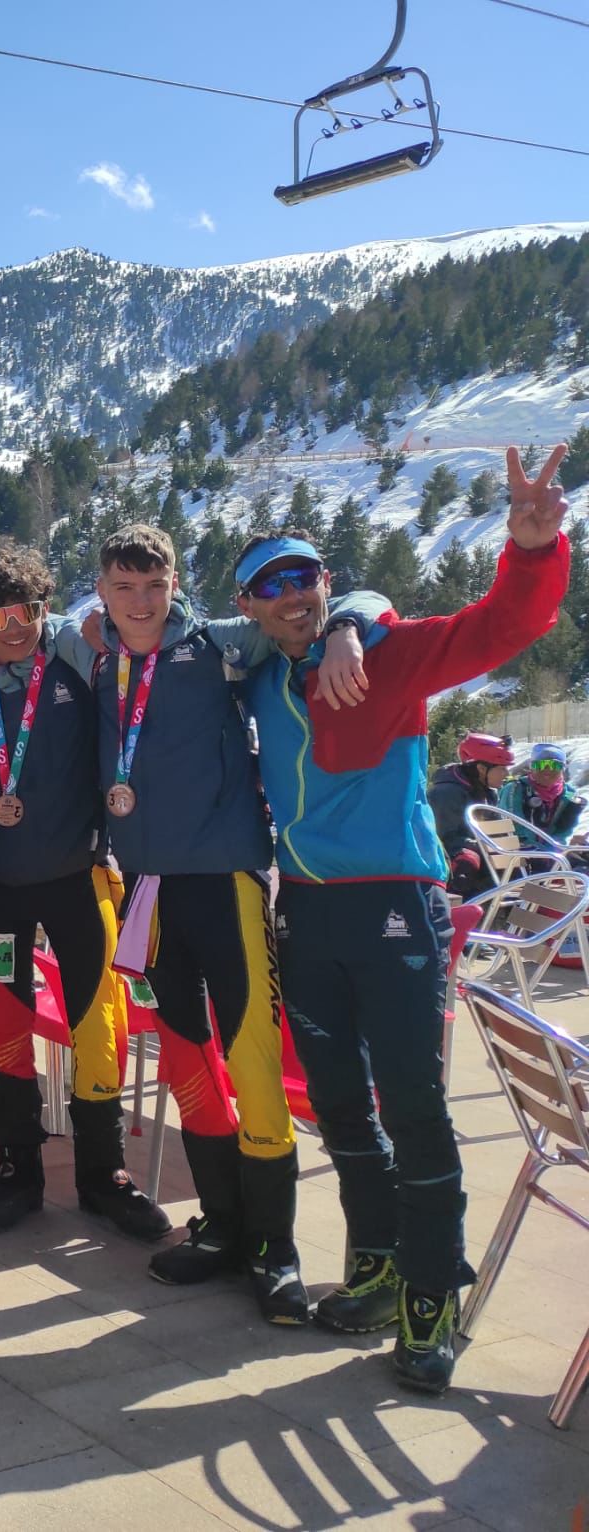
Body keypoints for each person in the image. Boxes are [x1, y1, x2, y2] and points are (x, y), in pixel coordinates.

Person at [0, 525, 380, 1324]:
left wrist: (346, 622)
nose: (140, 602)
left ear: (177, 583)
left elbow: (308, 612)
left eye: (154, 584)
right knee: (186, 1060)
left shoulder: (218, 643)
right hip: (142, 889)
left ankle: (272, 1246)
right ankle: (220, 1225)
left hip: (223, 882)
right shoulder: (94, 658)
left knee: (247, 1053)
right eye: (122, 587)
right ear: (100, 593)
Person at [231, 446, 570, 1392]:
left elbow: (503, 624)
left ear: (325, 583)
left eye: (307, 578)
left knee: (415, 1111)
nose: (291, 594)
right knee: (338, 1105)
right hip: (304, 910)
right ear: (252, 605)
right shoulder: (256, 674)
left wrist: (533, 549)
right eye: (271, 584)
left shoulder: (387, 652)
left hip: (395, 907)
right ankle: (377, 1265)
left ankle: (432, 1296)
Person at [0, 541, 170, 1243]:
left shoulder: (71, 657)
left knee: (99, 1025)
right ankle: (19, 1172)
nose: (14, 626)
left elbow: (101, 631)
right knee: (8, 1025)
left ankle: (104, 1177)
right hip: (2, 883)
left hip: (79, 876)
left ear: (44, 606)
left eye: (27, 610)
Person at [431, 732, 514, 896]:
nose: (507, 774)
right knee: (467, 862)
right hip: (451, 865)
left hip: (486, 859)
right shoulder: (446, 793)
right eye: (502, 769)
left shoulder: (488, 793)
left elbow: (498, 834)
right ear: (481, 768)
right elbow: (445, 839)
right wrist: (483, 847)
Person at [499, 743, 586, 846]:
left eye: (555, 765)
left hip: (556, 853)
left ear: (563, 769)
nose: (548, 770)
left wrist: (559, 848)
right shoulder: (514, 789)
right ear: (531, 767)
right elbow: (516, 828)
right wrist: (544, 851)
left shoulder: (570, 794)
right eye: (541, 764)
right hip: (519, 853)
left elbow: (565, 831)